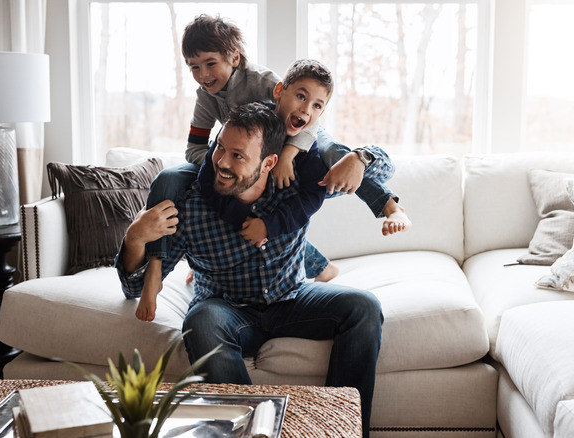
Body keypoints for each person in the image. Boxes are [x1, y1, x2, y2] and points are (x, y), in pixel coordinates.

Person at [116, 103, 383, 437]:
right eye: (220, 149)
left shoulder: (296, 186)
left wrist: (360, 159)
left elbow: (382, 173)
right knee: (202, 320)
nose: (222, 163)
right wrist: (135, 238)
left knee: (364, 307)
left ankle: (342, 431)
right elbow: (134, 288)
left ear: (269, 162)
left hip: (292, 297)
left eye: (238, 156)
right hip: (225, 307)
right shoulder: (190, 204)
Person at [140, 14, 410, 317]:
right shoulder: (206, 97)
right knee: (168, 178)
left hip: (297, 142)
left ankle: (388, 206)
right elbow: (195, 148)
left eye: (210, 63)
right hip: (244, 163)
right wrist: (225, 166)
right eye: (194, 67)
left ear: (234, 57)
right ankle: (156, 267)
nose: (203, 74)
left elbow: (304, 120)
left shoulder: (266, 84)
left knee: (335, 154)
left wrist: (289, 155)